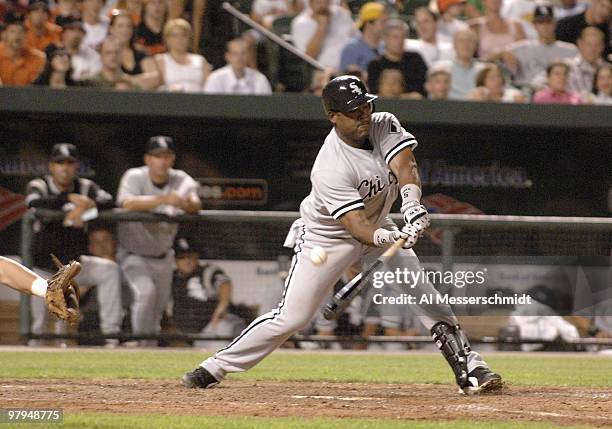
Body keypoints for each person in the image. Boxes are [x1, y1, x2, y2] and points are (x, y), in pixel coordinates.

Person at [182, 75, 503, 395]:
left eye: (366, 105)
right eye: (353, 111)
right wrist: (391, 238)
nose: (363, 114)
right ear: (333, 117)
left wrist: (411, 205)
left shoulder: (383, 123)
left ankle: (469, 368)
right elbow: (357, 226)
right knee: (291, 318)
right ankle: (215, 366)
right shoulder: (329, 167)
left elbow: (407, 167)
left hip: (379, 224)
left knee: (423, 292)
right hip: (327, 237)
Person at [25, 143, 121, 346]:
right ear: (51, 166)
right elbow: (34, 202)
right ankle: (34, 362)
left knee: (110, 270)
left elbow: (109, 201)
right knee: (39, 327)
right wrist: (68, 199)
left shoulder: (86, 187)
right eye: (60, 162)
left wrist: (86, 208)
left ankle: (111, 337)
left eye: (70, 162)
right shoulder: (40, 185)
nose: (65, 167)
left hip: (74, 267)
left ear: (77, 166)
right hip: (44, 270)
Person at [116, 136, 201, 345]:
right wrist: (163, 199)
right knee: (145, 294)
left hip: (163, 256)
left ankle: (148, 350)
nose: (162, 161)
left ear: (172, 159)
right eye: (157, 156)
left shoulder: (181, 179)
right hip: (134, 254)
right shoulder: (134, 176)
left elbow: (196, 205)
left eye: (166, 156)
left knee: (158, 308)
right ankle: (139, 343)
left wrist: (183, 202)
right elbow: (126, 202)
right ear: (148, 159)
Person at [171, 237, 247, 348]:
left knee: (222, 332)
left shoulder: (207, 271)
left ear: (197, 256)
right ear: (175, 260)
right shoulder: (171, 277)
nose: (187, 261)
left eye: (190, 256)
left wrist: (222, 305)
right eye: (182, 257)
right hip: (191, 334)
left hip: (217, 325)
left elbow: (224, 284)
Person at [489, 4, 577, 88]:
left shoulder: (570, 50)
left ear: (555, 24)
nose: (545, 26)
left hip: (559, 98)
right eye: (540, 22)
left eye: (548, 22)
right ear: (534, 25)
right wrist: (502, 53)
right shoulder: (522, 47)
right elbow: (488, 58)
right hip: (527, 95)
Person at [367, 19, 428, 98]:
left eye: (403, 37)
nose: (400, 41)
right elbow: (374, 94)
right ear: (385, 39)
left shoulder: (415, 60)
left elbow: (422, 91)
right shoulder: (375, 64)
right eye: (395, 37)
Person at [290, 0, 356, 71]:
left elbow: (357, 36)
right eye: (318, 3)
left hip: (354, 61)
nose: (323, 6)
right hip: (326, 68)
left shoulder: (340, 13)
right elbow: (308, 57)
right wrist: (321, 28)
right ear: (311, 4)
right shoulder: (301, 23)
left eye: (326, 2)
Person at [155, 18, 211, 92]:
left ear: (189, 38)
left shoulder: (200, 60)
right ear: (167, 39)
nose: (180, 39)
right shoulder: (161, 60)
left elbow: (210, 86)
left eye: (183, 35)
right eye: (175, 35)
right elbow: (156, 86)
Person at [203, 37, 271, 95]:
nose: (239, 58)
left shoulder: (260, 79)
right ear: (227, 56)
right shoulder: (215, 78)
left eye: (243, 53)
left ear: (249, 56)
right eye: (235, 54)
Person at [433, 28, 485, 99]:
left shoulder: (483, 70)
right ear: (454, 45)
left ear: (476, 45)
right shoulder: (440, 68)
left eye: (469, 40)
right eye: (461, 40)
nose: (466, 44)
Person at [339, 2, 386, 76]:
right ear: (369, 23)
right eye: (383, 22)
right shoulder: (352, 48)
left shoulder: (386, 48)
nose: (386, 26)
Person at [109, 10, 158, 78]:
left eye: (128, 26)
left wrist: (127, 80)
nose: (125, 30)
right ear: (111, 29)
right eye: (120, 26)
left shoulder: (141, 51)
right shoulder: (106, 53)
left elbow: (155, 77)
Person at [0, 16, 45, 86]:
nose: (17, 36)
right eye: (13, 32)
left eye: (21, 32)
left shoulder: (37, 58)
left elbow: (33, 87)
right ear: (4, 35)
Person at [566, 26, 606, 97]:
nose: (593, 49)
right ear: (579, 43)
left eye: (597, 45)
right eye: (589, 44)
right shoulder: (566, 66)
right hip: (572, 107)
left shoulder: (607, 68)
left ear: (603, 46)